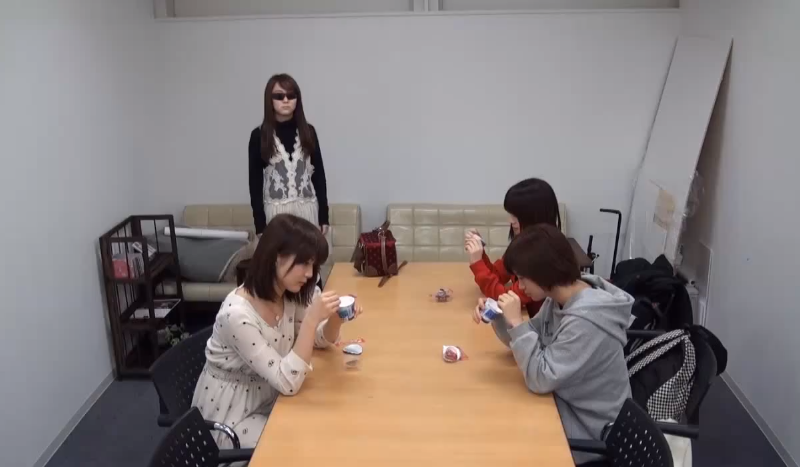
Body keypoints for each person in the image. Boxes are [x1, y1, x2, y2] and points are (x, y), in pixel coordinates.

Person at [191, 214, 362, 449]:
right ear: (275, 257)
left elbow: (318, 340)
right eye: (304, 263)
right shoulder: (237, 315)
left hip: (271, 398)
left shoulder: (286, 294)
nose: (310, 274)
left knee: (329, 422)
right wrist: (312, 318)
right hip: (232, 419)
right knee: (309, 441)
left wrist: (335, 318)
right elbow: (287, 382)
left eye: (313, 265)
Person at [472, 224, 633, 466]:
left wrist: (517, 322)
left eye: (522, 278)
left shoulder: (586, 320)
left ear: (544, 273)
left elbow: (540, 377)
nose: (520, 286)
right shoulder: (559, 298)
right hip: (566, 404)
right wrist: (499, 316)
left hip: (591, 432)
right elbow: (529, 341)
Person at [464, 177, 561, 317]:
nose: (510, 220)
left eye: (516, 215)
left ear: (535, 216)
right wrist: (480, 252)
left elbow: (504, 297)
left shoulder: (542, 256)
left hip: (536, 323)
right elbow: (498, 275)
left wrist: (477, 263)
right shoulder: (523, 243)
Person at [248, 73, 329, 237]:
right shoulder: (259, 135)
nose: (285, 100)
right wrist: (260, 224)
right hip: (276, 215)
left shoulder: (309, 132)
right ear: (270, 100)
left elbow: (319, 176)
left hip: (307, 212)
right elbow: (255, 182)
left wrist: (323, 216)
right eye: (279, 96)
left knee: (309, 254)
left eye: (291, 95)